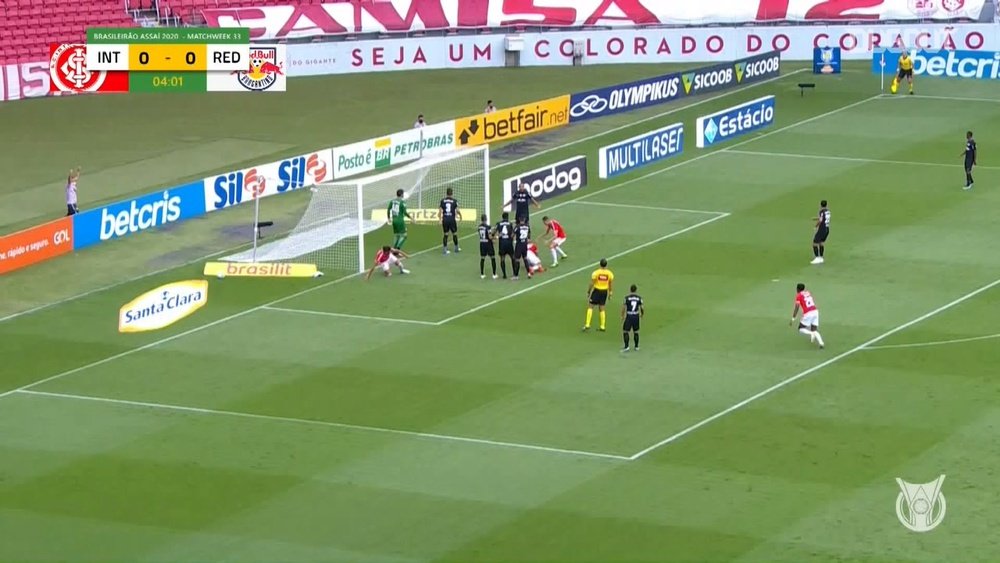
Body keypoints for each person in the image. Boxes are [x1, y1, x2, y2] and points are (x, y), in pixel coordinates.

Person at [790, 282, 825, 349]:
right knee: (814, 329)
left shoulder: (798, 296)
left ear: (797, 289)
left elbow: (797, 307)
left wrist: (793, 318)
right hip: (815, 311)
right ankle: (821, 343)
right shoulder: (808, 293)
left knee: (801, 328)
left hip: (808, 313)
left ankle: (811, 333)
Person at [583, 258, 614, 332]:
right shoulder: (610, 273)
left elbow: (592, 283)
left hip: (597, 291)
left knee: (590, 306)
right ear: (606, 265)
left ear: (600, 264)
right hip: (604, 292)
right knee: (602, 308)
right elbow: (610, 284)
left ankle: (587, 324)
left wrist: (588, 291)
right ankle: (602, 326)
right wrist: (610, 293)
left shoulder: (596, 273)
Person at [621, 285, 644, 352]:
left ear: (630, 290)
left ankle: (626, 347)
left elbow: (623, 307)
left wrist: (622, 316)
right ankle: (636, 347)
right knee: (636, 331)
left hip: (629, 315)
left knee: (625, 331)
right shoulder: (639, 298)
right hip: (636, 316)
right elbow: (642, 308)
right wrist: (642, 314)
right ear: (636, 290)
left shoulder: (627, 298)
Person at [439, 187, 462, 254]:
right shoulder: (454, 201)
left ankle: (445, 250)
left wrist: (440, 219)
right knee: (454, 234)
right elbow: (457, 210)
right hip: (452, 220)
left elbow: (440, 211)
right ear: (452, 193)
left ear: (446, 193)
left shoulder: (442, 201)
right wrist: (460, 216)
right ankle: (456, 248)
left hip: (445, 219)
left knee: (446, 234)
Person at [494, 211, 515, 279]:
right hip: (509, 243)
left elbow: (493, 232)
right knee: (512, 257)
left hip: (502, 244)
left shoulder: (498, 223)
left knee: (502, 258)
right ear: (507, 217)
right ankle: (514, 273)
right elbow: (512, 234)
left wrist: (495, 237)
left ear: (502, 217)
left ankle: (504, 275)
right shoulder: (510, 223)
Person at [477, 214, 497, 279]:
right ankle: (494, 274)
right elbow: (490, 236)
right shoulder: (488, 227)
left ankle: (482, 274)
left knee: (482, 258)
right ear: (486, 219)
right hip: (488, 244)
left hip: (482, 243)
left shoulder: (479, 227)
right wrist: (495, 237)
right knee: (492, 258)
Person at [811, 199, 830, 265]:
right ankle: (821, 257)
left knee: (815, 243)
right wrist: (816, 218)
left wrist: (816, 226)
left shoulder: (821, 211)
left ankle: (817, 258)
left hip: (822, 229)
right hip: (827, 229)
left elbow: (821, 220)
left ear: (820, 205)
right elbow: (823, 218)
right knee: (821, 243)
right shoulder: (828, 211)